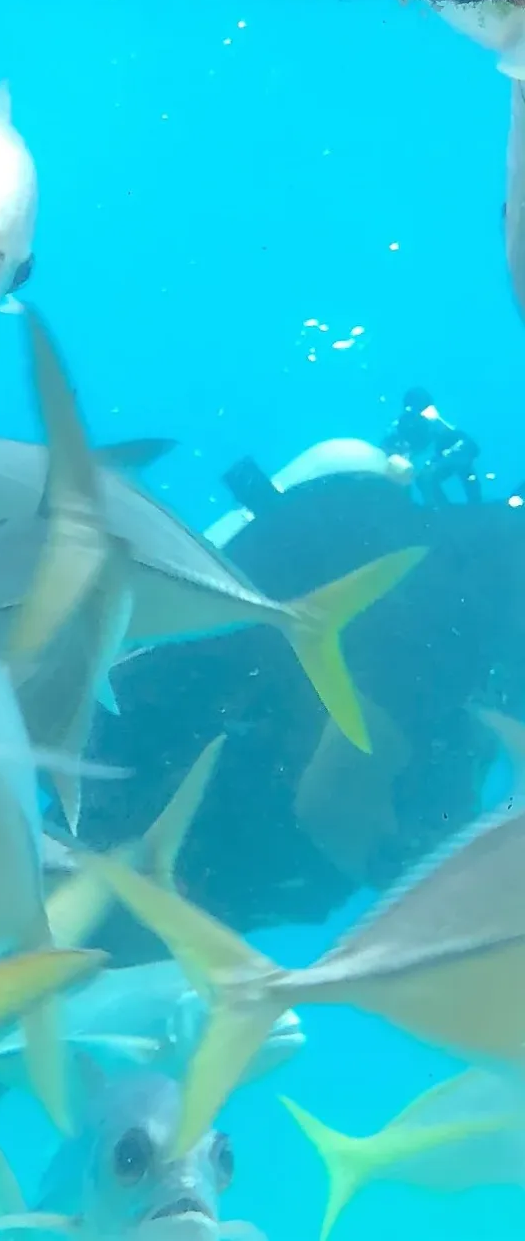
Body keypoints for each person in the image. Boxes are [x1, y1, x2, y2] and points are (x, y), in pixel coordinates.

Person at [75, 389, 525, 956]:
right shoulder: (461, 600)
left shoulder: (488, 599)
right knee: (55, 976)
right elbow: (335, 801)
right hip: (169, 812)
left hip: (185, 812)